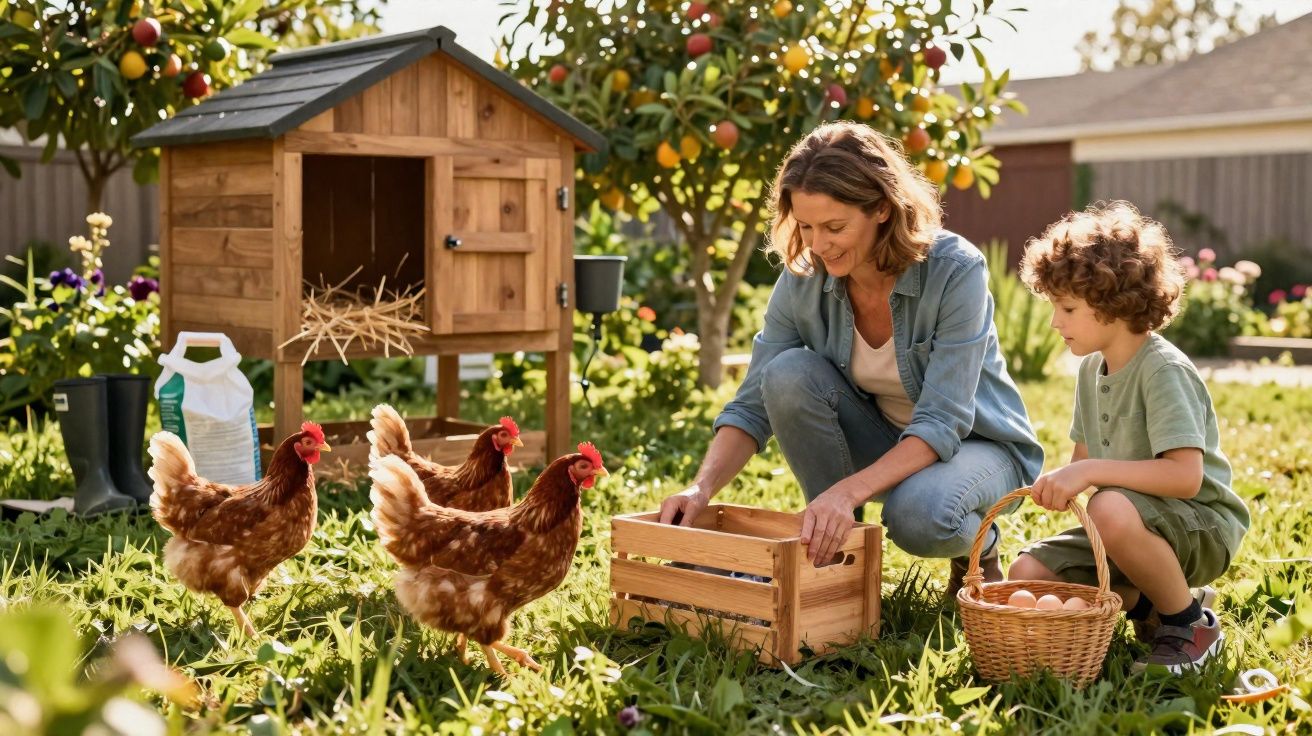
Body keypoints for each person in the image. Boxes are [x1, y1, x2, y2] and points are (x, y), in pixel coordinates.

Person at [658, 121, 1043, 597]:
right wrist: (701, 489)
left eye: (834, 226)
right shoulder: (804, 277)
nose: (818, 245)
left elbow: (942, 421)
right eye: (805, 226)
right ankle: (838, 554)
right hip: (882, 436)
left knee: (920, 518)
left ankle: (979, 548)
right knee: (785, 375)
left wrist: (844, 490)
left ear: (882, 207)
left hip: (978, 446)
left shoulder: (954, 270)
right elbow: (751, 404)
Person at [1009, 200, 1248, 672]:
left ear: (1111, 303)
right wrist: (1065, 482)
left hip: (1201, 526)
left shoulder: (1162, 369)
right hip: (1127, 522)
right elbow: (1085, 464)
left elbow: (1185, 478)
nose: (1055, 322)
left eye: (1068, 308)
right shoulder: (1090, 371)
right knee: (1028, 573)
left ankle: (1190, 624)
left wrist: (1090, 472)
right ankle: (1154, 604)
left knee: (1109, 506)